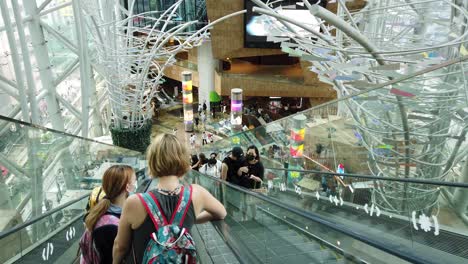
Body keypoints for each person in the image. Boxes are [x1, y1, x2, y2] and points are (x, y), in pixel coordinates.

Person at [112, 134, 226, 263]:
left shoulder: (135, 202)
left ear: (153, 160)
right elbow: (221, 213)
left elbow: (120, 247)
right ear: (183, 159)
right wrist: (192, 218)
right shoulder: (197, 193)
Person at [80, 165, 136, 264]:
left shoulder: (100, 212)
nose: (136, 183)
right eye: (135, 180)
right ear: (128, 187)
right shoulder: (109, 227)